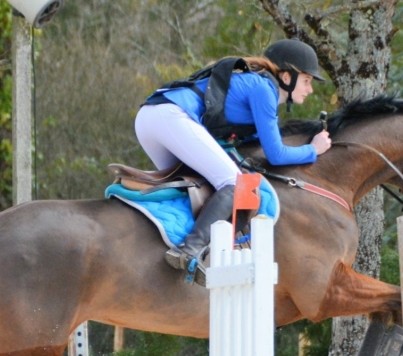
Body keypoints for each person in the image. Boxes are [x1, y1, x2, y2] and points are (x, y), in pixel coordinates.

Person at [135, 39, 331, 284]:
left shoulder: (256, 85)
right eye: (307, 80)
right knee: (234, 183)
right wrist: (313, 149)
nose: (310, 89)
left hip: (149, 119)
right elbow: (276, 154)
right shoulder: (263, 90)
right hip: (170, 116)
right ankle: (189, 250)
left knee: (194, 187)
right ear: (286, 76)